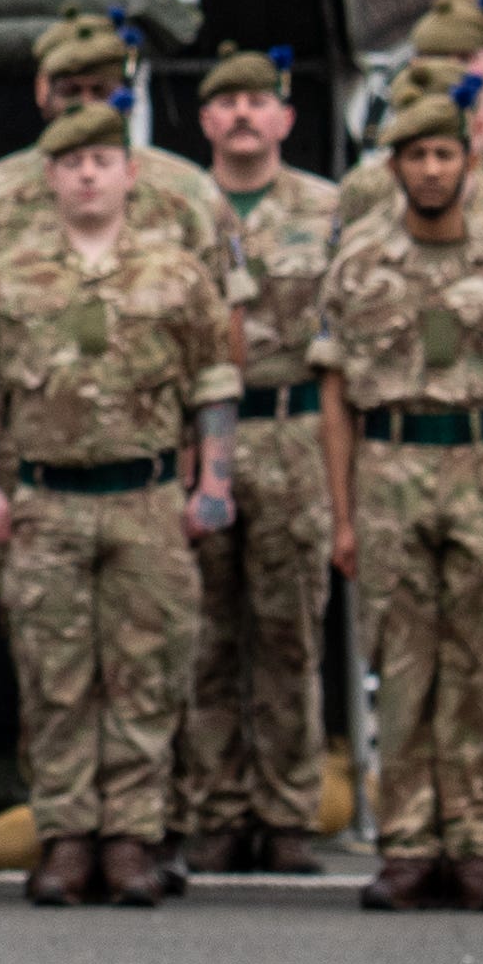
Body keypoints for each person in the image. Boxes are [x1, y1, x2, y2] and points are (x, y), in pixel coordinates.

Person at [0, 95, 238, 905]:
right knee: (54, 675)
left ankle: (133, 838)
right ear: (49, 177)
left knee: (147, 672)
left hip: (146, 497)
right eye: (72, 164)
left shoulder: (175, 272)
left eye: (101, 162)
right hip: (47, 500)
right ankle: (68, 836)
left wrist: (213, 482)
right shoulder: (12, 276)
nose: (87, 175)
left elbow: (213, 385)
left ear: (130, 173)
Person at [325, 61, 483, 913]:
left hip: (481, 464)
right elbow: (336, 392)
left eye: (444, 154)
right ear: (393, 166)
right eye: (415, 156)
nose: (430, 170)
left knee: (481, 663)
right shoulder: (360, 258)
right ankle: (406, 841)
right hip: (392, 465)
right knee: (401, 667)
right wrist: (344, 510)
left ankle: (479, 841)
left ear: (468, 161)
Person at [181, 49, 345, 873]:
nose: (243, 115)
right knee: (207, 633)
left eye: (258, 101)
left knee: (288, 634)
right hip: (204, 434)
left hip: (294, 429)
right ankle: (215, 808)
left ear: (285, 116)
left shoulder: (329, 210)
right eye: (226, 102)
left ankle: (285, 811)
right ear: (205, 120)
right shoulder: (179, 207)